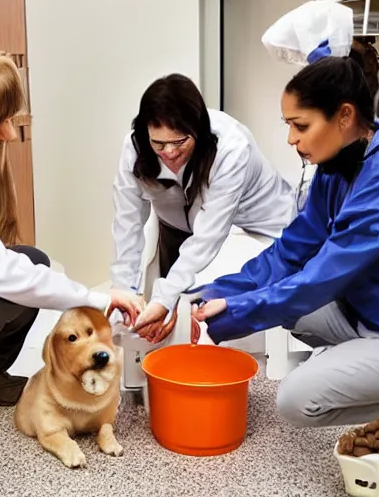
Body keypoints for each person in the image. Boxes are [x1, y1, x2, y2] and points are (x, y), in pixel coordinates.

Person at [193, 2, 379, 428]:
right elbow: (290, 253)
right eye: (288, 125)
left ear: (344, 116)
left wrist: (231, 315)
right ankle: (368, 365)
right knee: (286, 304)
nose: (291, 139)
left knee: (296, 401)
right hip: (368, 313)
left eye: (301, 125)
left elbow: (318, 280)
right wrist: (206, 296)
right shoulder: (339, 167)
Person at [0, 46, 141, 406]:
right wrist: (98, 299)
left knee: (32, 260)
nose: (8, 135)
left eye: (8, 119)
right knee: (13, 287)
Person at [110, 73, 293, 344]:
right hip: (178, 225)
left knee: (216, 309)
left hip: (253, 225)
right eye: (158, 143)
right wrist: (124, 292)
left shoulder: (231, 147)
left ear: (198, 130)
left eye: (180, 142)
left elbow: (209, 236)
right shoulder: (135, 147)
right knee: (174, 312)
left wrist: (166, 298)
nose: (169, 152)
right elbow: (128, 225)